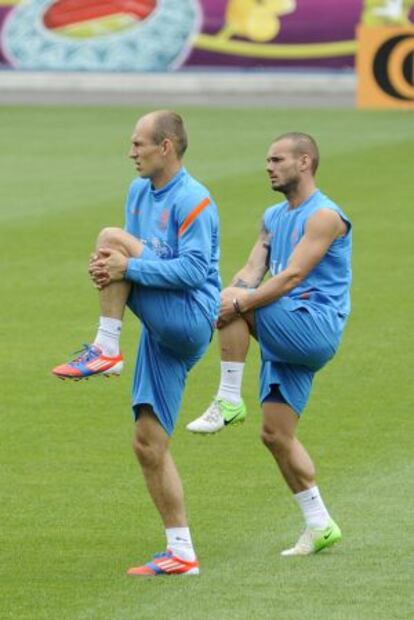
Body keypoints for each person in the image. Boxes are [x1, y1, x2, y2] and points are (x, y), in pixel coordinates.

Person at [52, 110, 221, 576]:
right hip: (159, 325)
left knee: (111, 237)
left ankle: (107, 347)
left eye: (138, 144)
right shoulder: (137, 192)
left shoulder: (195, 199)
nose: (131, 153)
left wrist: (124, 267)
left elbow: (192, 272)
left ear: (165, 146)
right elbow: (129, 260)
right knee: (148, 443)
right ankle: (181, 553)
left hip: (189, 317)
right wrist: (109, 269)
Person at [187, 132, 352, 556]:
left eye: (277, 159)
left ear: (305, 162)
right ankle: (320, 524)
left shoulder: (325, 216)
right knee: (276, 434)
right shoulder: (272, 216)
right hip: (284, 325)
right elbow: (252, 270)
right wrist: (222, 298)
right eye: (267, 160)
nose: (269, 166)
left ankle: (227, 399)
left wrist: (237, 303)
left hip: (312, 325)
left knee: (237, 305)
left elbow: (292, 276)